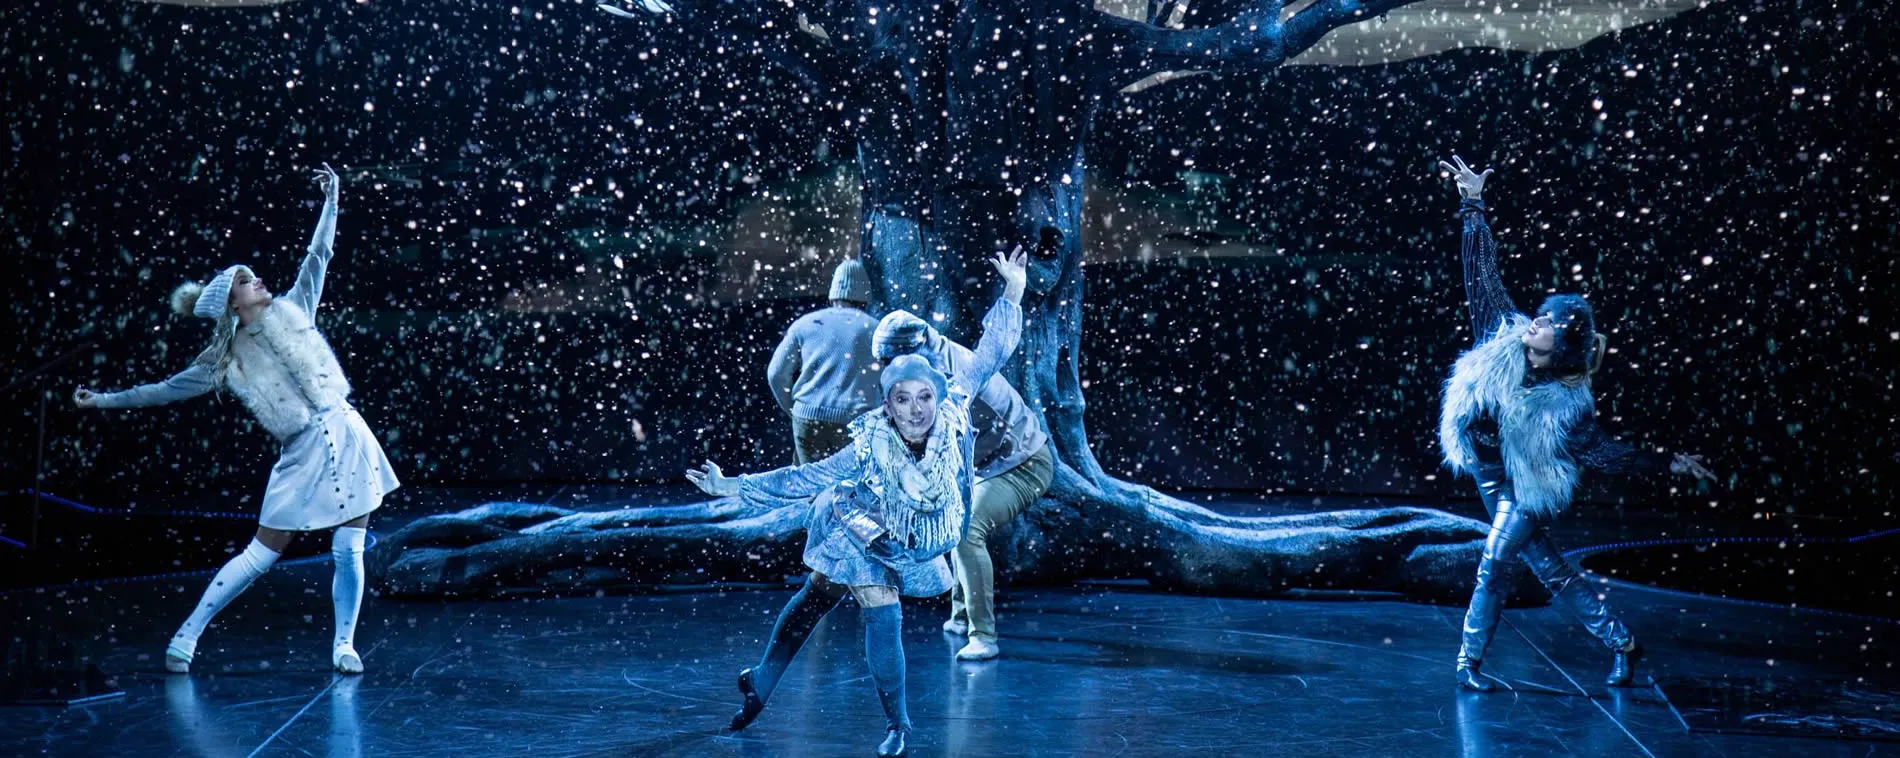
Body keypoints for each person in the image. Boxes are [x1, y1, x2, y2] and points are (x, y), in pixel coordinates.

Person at [686, 249, 1028, 758]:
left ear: (935, 385)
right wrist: (733, 486)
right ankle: (900, 728)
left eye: (923, 397)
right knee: (879, 606)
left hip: (923, 531)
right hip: (863, 524)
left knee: (820, 593)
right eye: (900, 397)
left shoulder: (955, 402)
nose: (915, 411)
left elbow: (994, 348)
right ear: (887, 396)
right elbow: (807, 476)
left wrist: (1015, 290)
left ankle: (761, 678)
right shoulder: (871, 440)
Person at [73, 164, 398, 676]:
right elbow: (164, 391)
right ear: (232, 302)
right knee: (261, 553)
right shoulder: (224, 360)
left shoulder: (296, 308)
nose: (257, 281)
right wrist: (104, 401)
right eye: (245, 281)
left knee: (349, 548)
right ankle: (187, 634)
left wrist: (332, 199)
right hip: (303, 451)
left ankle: (343, 644)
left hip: (348, 431)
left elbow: (320, 255)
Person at [1436, 155, 1715, 692]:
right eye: (1540, 316)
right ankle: (1622, 642)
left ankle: (1467, 663)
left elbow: (1606, 453)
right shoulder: (1502, 340)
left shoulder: (1566, 407)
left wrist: (1669, 462)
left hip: (1524, 489)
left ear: (1562, 346)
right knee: (1554, 572)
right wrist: (1473, 205)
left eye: (1548, 324)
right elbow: (1483, 276)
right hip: (1488, 477)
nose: (1535, 322)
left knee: (1494, 565)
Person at [872, 305, 1053, 661]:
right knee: (955, 522)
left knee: (968, 529)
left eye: (891, 362)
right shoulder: (928, 369)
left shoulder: (952, 378)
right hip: (991, 462)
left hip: (1024, 463)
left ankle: (983, 635)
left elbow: (986, 432)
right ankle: (960, 615)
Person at [766, 259, 881, 463]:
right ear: (866, 295)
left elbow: (775, 373)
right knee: (852, 487)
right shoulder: (876, 329)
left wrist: (793, 408)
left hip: (808, 418)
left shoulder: (804, 324)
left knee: (810, 484)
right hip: (856, 422)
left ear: (833, 291)